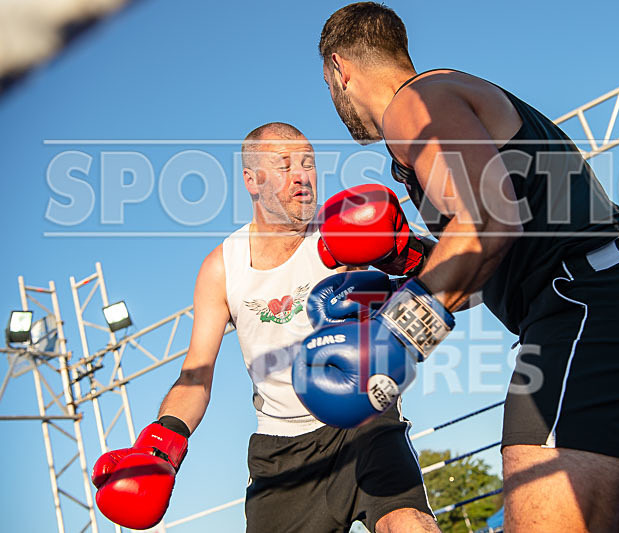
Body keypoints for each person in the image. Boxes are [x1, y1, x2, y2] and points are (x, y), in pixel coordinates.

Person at [307, 3, 619, 532]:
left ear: (338, 69)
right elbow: (482, 267)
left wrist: (395, 329)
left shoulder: (414, 103)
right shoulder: (440, 104)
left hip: (587, 300)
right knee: (617, 523)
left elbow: (490, 219)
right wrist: (405, 263)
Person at [90, 122, 441, 533]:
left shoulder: (344, 232)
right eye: (284, 164)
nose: (302, 176)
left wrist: (407, 251)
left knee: (408, 523)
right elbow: (196, 373)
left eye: (308, 164)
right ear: (251, 180)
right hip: (281, 453)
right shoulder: (223, 267)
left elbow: (458, 283)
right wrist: (161, 444)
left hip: (363, 425)